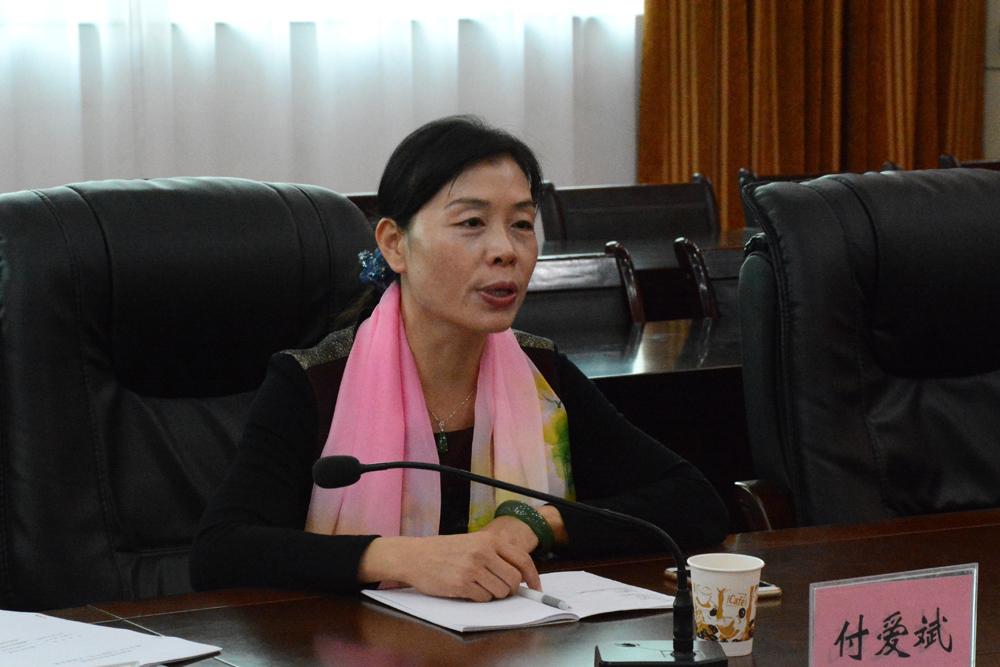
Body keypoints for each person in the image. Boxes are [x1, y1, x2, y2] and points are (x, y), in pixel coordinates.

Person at [190, 116, 728, 602]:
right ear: (394, 244)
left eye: (521, 224)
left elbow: (694, 503)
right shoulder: (314, 381)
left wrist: (533, 522)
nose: (505, 250)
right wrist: (403, 558)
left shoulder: (542, 376)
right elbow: (221, 552)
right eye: (471, 223)